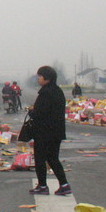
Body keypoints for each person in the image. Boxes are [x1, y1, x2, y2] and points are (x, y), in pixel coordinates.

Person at [28, 65, 70, 196]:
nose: (38, 79)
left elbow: (40, 113)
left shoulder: (46, 92)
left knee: (40, 158)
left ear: (47, 78)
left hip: (44, 132)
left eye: (40, 76)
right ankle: (64, 184)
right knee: (53, 158)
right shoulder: (58, 91)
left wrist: (31, 113)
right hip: (56, 132)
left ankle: (42, 186)